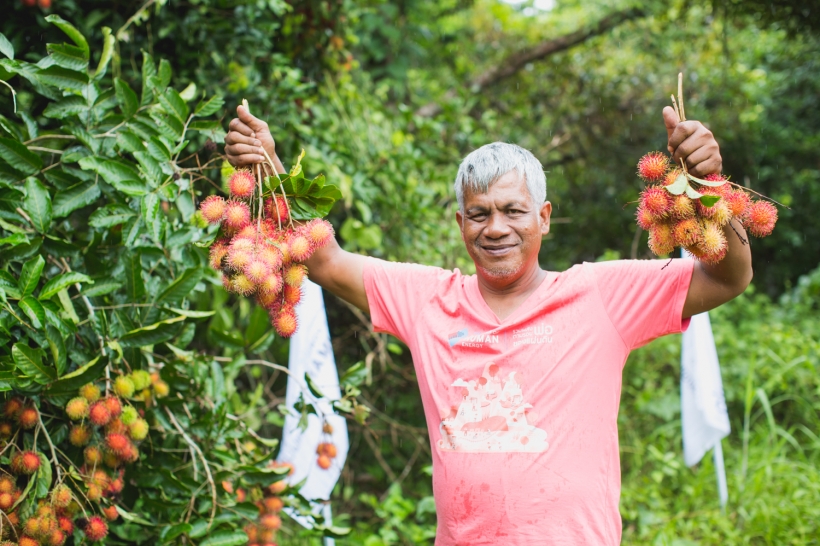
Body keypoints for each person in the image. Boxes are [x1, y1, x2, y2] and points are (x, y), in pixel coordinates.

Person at [225, 105, 751, 545]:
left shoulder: (600, 295)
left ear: (543, 217)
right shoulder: (428, 299)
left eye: (513, 211)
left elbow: (728, 277)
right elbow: (324, 261)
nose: (495, 228)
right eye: (479, 214)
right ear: (460, 224)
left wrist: (709, 184)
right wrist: (271, 169)